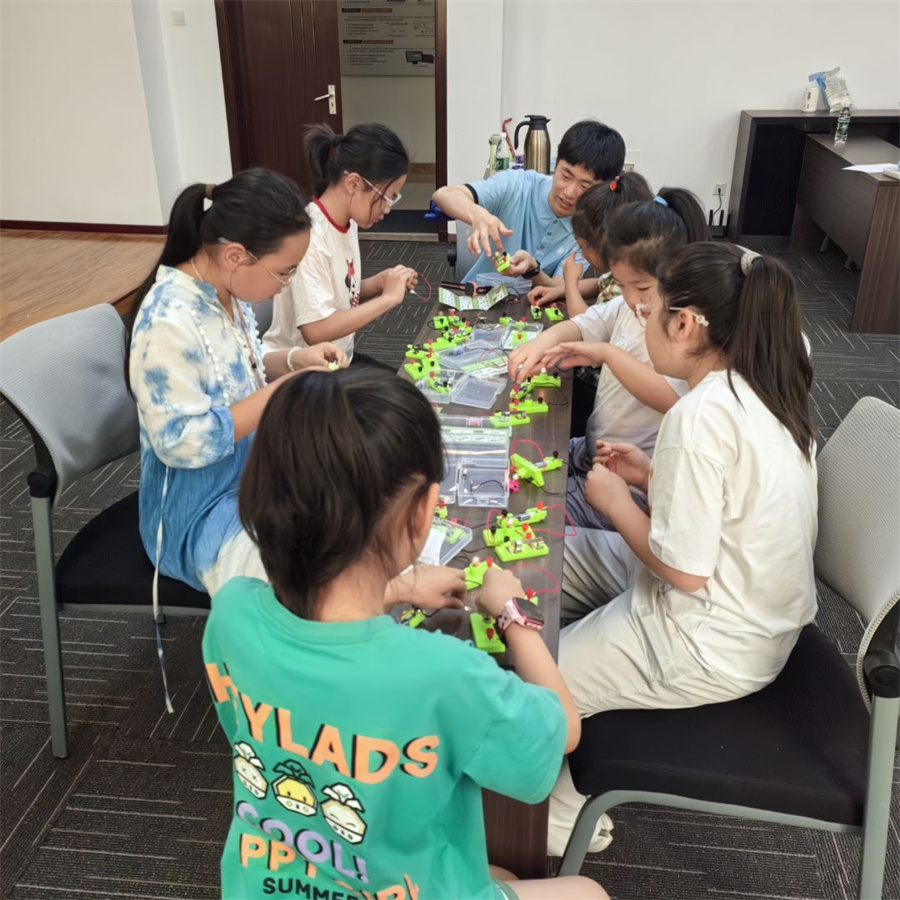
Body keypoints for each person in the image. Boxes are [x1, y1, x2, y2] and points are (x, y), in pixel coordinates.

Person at [203, 367, 609, 900]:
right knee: (588, 892)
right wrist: (511, 613)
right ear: (422, 514)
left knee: (502, 876)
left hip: (263, 883)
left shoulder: (231, 610)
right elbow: (560, 734)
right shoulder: (444, 673)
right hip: (409, 888)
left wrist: (397, 586)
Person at [547, 243, 818, 857]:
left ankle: (558, 819)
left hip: (709, 635)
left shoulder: (698, 416)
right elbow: (733, 508)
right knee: (556, 553)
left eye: (651, 311)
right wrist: (650, 477)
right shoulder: (765, 387)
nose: (641, 321)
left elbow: (685, 571)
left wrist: (616, 501)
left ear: (687, 325)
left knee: (538, 684)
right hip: (746, 605)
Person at [128, 169, 347, 599]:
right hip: (195, 515)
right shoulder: (168, 320)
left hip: (252, 480)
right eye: (284, 272)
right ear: (235, 256)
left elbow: (236, 370)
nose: (285, 285)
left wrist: (293, 359)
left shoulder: (224, 290)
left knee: (355, 505)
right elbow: (183, 443)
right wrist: (280, 393)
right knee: (309, 580)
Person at [508, 189, 708, 528]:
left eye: (641, 288)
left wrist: (608, 354)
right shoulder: (626, 306)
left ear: (676, 276)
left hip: (630, 478)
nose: (629, 298)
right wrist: (542, 342)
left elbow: (674, 400)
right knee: (521, 458)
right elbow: (582, 324)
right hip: (596, 450)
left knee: (532, 513)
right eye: (621, 284)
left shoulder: (684, 330)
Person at [264, 123, 418, 367]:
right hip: (306, 370)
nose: (388, 209)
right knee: (405, 388)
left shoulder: (348, 221)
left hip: (339, 358)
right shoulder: (310, 236)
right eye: (387, 197)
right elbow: (316, 330)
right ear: (353, 184)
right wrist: (387, 298)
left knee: (413, 383)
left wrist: (380, 282)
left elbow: (339, 293)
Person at [432, 120, 625, 286]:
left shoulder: (589, 228)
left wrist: (533, 270)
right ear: (556, 163)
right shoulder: (518, 184)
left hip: (531, 311)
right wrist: (478, 215)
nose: (569, 192)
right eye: (566, 176)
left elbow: (559, 287)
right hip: (475, 298)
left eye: (585, 186)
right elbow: (443, 194)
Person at [527, 172, 654, 314]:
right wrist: (557, 291)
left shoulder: (622, 293)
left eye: (581, 246)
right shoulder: (627, 271)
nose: (581, 253)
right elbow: (598, 284)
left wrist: (570, 282)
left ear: (602, 245)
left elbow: (584, 323)